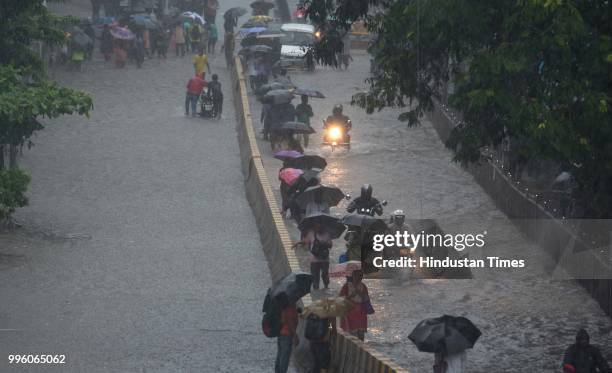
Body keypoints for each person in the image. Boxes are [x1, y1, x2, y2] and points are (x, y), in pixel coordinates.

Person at [339, 269, 370, 341]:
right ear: (353, 276)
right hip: (350, 312)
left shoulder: (363, 286)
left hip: (361, 312)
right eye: (357, 276)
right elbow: (341, 299)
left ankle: (361, 348)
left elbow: (366, 299)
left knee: (361, 334)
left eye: (360, 276)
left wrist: (360, 293)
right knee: (351, 333)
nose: (359, 278)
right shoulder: (346, 286)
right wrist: (351, 296)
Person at [275, 299, 299, 373]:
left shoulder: (285, 305)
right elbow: (290, 321)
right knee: (284, 359)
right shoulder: (290, 307)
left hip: (281, 333)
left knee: (280, 356)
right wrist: (295, 335)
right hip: (287, 334)